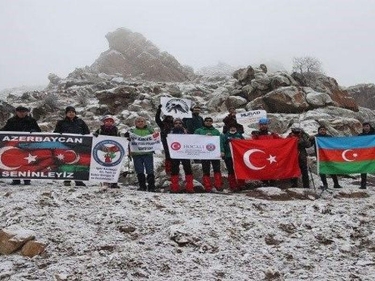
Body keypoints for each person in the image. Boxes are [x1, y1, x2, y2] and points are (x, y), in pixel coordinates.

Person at [1, 106, 41, 185]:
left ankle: (27, 179)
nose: (22, 113)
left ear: (26, 112)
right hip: (14, 145)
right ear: (16, 112)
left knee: (27, 161)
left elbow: (38, 131)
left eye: (23, 111)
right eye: (20, 112)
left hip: (27, 145)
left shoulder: (31, 121)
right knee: (15, 161)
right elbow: (5, 130)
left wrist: (34, 131)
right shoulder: (11, 121)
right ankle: (16, 179)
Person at [53, 106, 90, 187]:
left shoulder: (80, 122)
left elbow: (87, 132)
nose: (71, 113)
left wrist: (83, 135)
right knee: (67, 162)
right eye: (69, 112)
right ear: (66, 113)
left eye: (73, 112)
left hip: (79, 146)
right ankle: (67, 179)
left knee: (79, 162)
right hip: (66, 146)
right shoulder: (61, 122)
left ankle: (78, 180)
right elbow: (56, 133)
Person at [124, 117, 156, 192]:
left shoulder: (150, 130)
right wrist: (127, 135)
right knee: (139, 170)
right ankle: (142, 186)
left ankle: (151, 187)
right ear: (135, 123)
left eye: (142, 121)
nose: (140, 123)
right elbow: (127, 138)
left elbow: (155, 137)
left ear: (145, 122)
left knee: (150, 170)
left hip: (148, 153)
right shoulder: (132, 131)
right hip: (136, 154)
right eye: (138, 121)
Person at [194, 117, 223, 192]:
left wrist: (222, 151)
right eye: (206, 121)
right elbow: (194, 140)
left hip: (215, 153)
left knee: (217, 169)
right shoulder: (199, 130)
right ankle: (207, 186)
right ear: (204, 122)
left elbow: (220, 142)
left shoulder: (216, 131)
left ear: (212, 122)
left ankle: (218, 185)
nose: (208, 122)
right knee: (206, 170)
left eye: (210, 121)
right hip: (204, 153)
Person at [251, 117, 281, 186]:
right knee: (263, 168)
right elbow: (251, 143)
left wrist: (292, 139)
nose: (263, 126)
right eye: (262, 124)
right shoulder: (257, 135)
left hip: (271, 155)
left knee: (272, 168)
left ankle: (272, 181)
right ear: (260, 125)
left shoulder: (271, 134)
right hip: (262, 155)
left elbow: (282, 141)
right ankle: (264, 182)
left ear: (267, 125)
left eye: (265, 124)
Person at [93, 115, 121, 188]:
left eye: (110, 121)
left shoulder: (116, 129)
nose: (109, 122)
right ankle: (104, 182)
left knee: (113, 166)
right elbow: (94, 136)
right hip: (102, 149)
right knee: (103, 166)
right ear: (104, 122)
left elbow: (120, 139)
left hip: (113, 149)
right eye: (107, 121)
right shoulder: (100, 129)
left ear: (113, 122)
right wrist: (95, 135)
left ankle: (114, 182)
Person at [169, 118, 194, 193]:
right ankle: (174, 187)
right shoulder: (171, 132)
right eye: (176, 123)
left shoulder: (186, 131)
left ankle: (189, 187)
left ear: (182, 124)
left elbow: (191, 139)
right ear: (174, 124)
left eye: (179, 123)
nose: (178, 124)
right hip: (175, 153)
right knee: (174, 170)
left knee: (188, 169)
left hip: (184, 153)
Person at [221, 124, 245, 192]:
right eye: (231, 127)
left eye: (234, 127)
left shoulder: (239, 135)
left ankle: (241, 184)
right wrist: (222, 151)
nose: (233, 128)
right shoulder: (225, 136)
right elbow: (222, 144)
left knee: (240, 170)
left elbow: (245, 144)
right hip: (228, 156)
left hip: (238, 156)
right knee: (230, 170)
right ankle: (233, 186)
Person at [155, 104, 174, 175]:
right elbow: (157, 119)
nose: (169, 118)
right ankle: (168, 169)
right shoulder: (162, 124)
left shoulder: (175, 124)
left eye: (171, 117)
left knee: (174, 155)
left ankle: (174, 168)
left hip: (174, 141)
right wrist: (159, 110)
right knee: (168, 155)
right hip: (165, 140)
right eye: (168, 117)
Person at [358, 122, 375, 189]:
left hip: (373, 154)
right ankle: (363, 185)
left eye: (367, 126)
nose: (366, 127)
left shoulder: (373, 135)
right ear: (363, 127)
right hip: (364, 154)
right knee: (363, 169)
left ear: (370, 127)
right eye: (364, 126)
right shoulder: (360, 135)